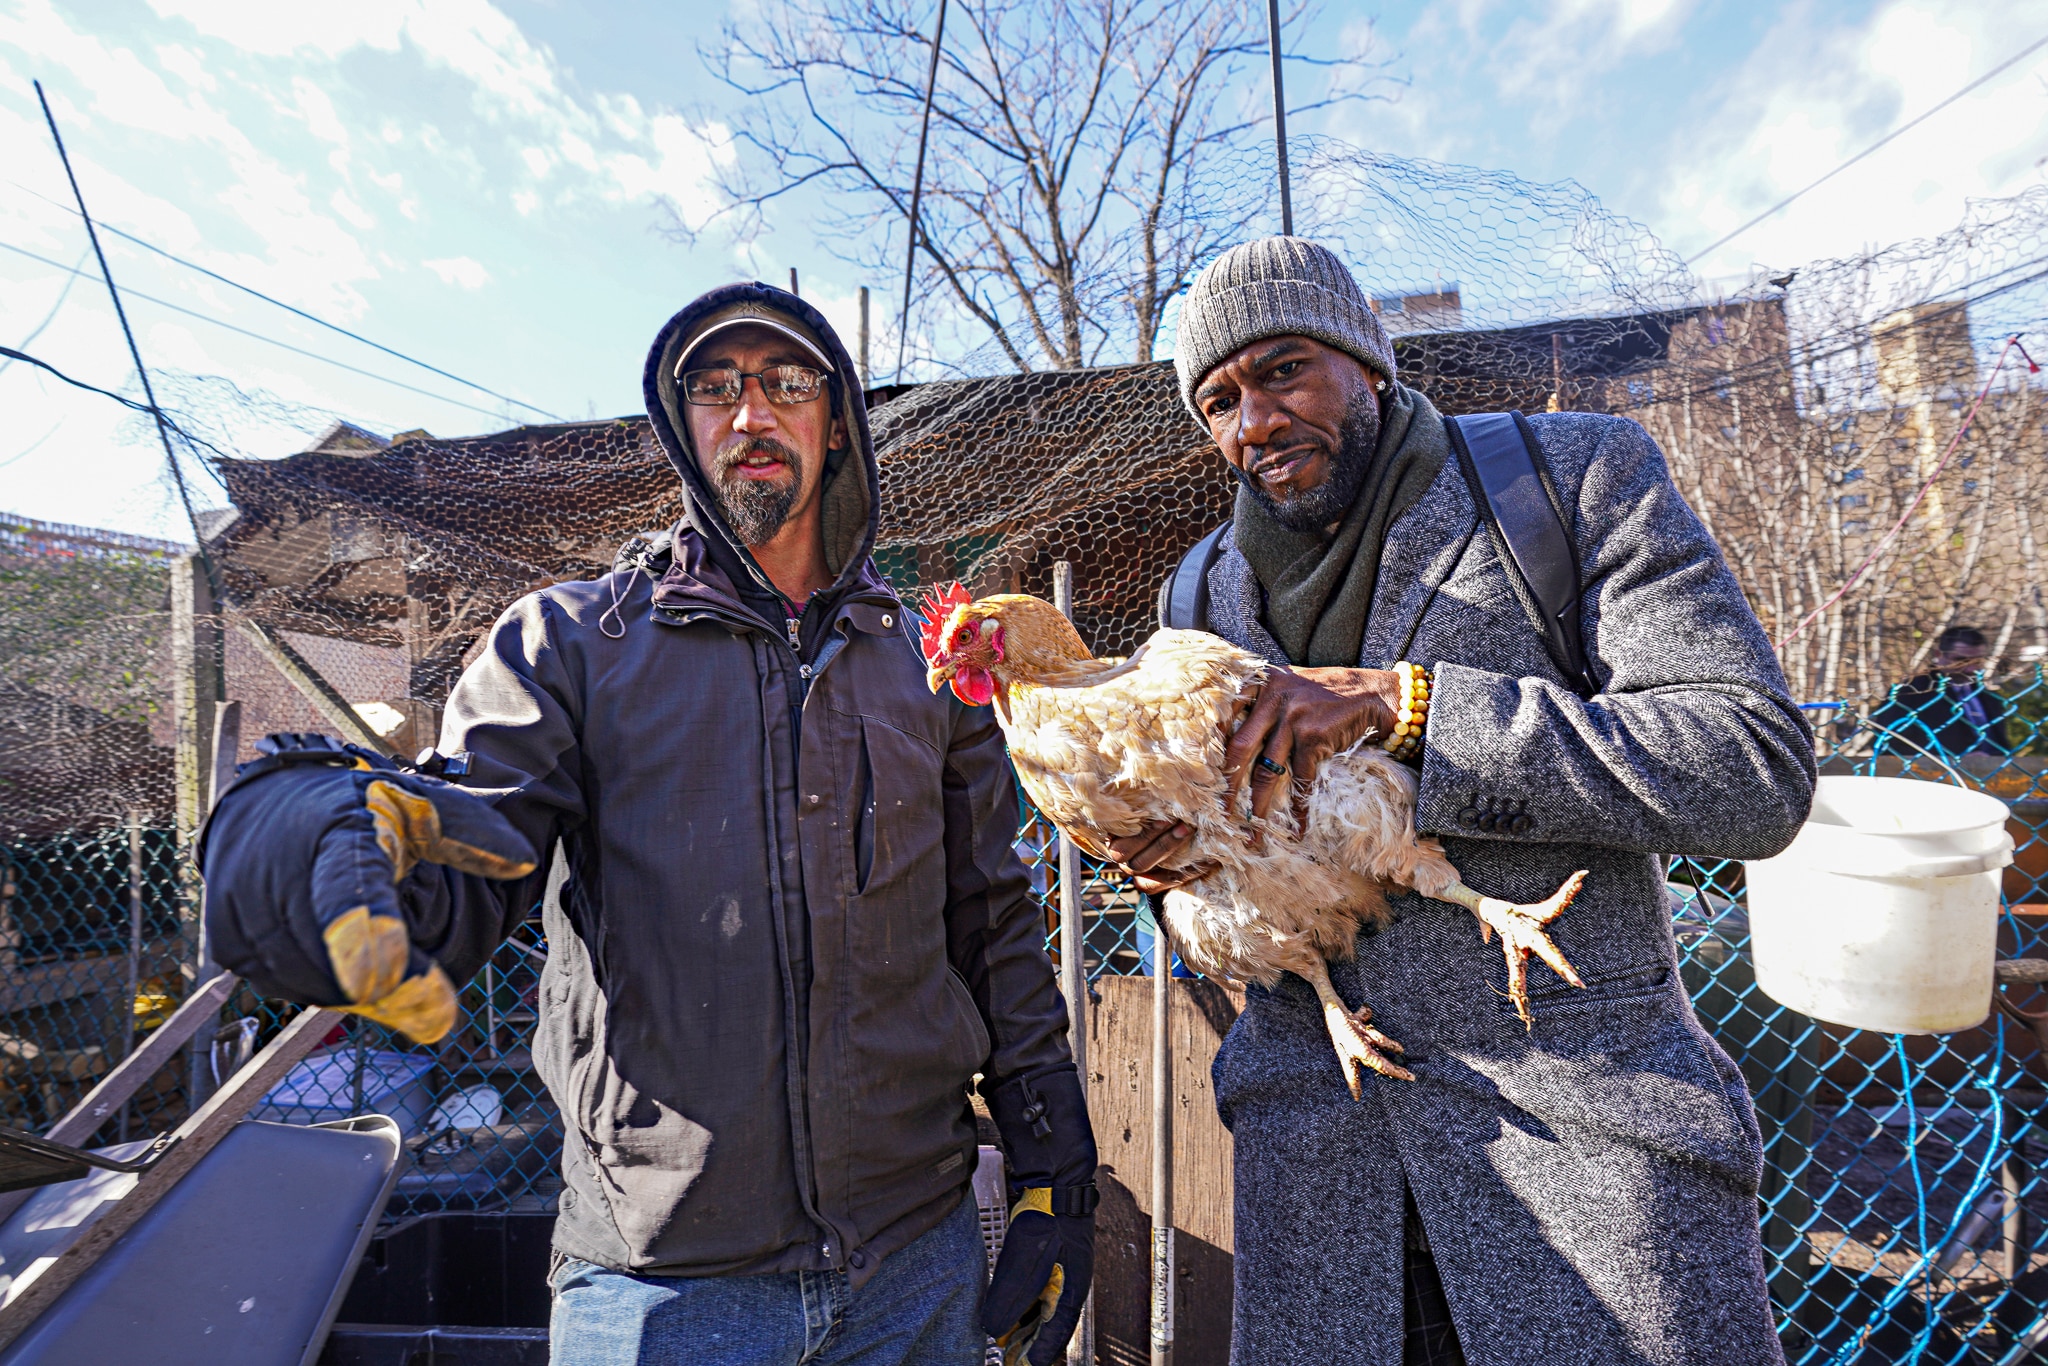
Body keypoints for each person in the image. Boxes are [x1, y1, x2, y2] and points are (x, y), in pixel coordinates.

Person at [198, 282, 1097, 1366]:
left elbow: (989, 922)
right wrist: (304, 819)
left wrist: (1053, 1150)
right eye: (714, 388)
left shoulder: (922, 667)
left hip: (915, 1265)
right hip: (663, 1292)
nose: (750, 412)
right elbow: (462, 857)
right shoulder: (572, 647)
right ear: (683, 429)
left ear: (836, 422)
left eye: (785, 383)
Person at [1112, 238, 1816, 1366]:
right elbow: (1243, 897)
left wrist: (1413, 707)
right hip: (1321, 1197)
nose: (1253, 420)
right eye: (1219, 398)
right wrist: (1176, 874)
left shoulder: (1565, 482)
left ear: (1366, 362)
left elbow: (1748, 766)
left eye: (1284, 369)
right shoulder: (1197, 597)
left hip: (1584, 1154)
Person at [1869, 625, 2014, 758]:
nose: (1971, 668)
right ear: (1939, 655)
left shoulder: (1988, 696)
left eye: (1977, 661)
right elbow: (1889, 745)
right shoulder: (1910, 693)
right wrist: (1953, 761)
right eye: (1961, 661)